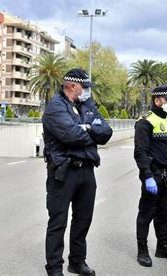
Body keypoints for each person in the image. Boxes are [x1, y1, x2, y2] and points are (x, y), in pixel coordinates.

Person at [42, 68, 113, 276]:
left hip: (86, 172)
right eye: (85, 87)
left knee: (83, 219)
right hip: (63, 172)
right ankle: (54, 268)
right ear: (73, 86)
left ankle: (77, 261)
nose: (88, 92)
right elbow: (72, 136)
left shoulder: (86, 105)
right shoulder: (55, 107)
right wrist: (91, 130)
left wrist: (87, 128)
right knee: (58, 222)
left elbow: (106, 132)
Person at [133, 84, 167, 268]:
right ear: (157, 100)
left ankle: (163, 246)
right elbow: (140, 152)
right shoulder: (145, 121)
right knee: (146, 213)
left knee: (163, 212)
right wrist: (147, 176)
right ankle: (142, 250)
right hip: (154, 175)